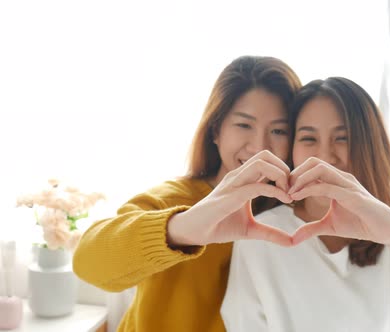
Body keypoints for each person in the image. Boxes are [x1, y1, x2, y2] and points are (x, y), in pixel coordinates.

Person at [221, 77, 390, 332]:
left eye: (343, 138)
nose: (326, 156)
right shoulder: (262, 234)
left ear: (370, 146)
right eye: (308, 138)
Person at [73, 55, 302, 332]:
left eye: (278, 130)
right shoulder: (175, 200)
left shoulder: (294, 219)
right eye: (244, 125)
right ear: (216, 130)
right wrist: (182, 230)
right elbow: (86, 263)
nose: (259, 147)